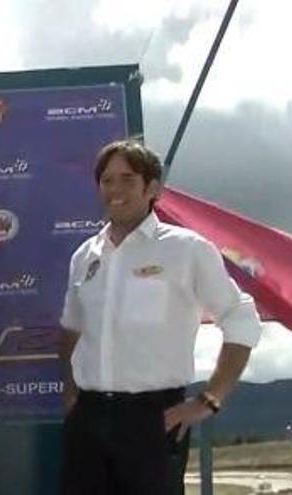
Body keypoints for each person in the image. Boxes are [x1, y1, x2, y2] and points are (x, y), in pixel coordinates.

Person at [59, 139, 262, 495]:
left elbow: (240, 317)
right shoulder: (85, 255)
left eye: (127, 179)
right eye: (107, 180)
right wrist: (73, 395)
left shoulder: (187, 249)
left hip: (153, 419)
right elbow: (72, 328)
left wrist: (209, 399)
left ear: (152, 188)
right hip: (88, 421)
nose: (115, 189)